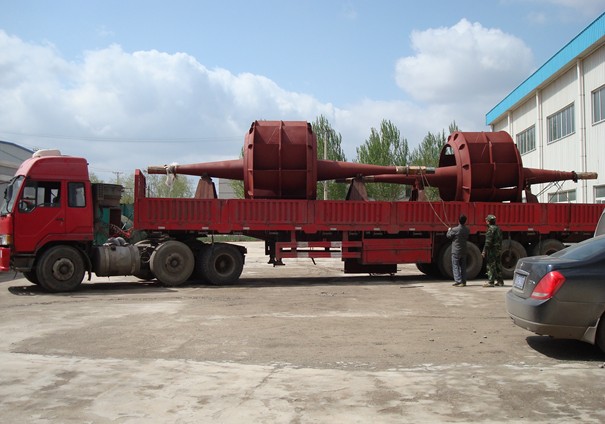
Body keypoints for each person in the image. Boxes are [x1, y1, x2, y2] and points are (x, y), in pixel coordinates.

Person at [447, 214, 470, 287]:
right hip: (464, 250)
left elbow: (449, 236)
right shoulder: (467, 229)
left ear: (458, 221)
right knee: (463, 267)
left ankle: (458, 281)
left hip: (456, 250)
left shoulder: (455, 229)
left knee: (455, 265)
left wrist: (449, 230)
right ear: (465, 221)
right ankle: (464, 281)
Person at [482, 214, 504, 287]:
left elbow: (488, 242)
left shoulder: (490, 229)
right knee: (498, 264)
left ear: (488, 221)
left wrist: (484, 251)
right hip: (498, 249)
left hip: (492, 250)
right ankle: (500, 281)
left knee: (490, 265)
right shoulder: (498, 228)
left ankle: (491, 282)